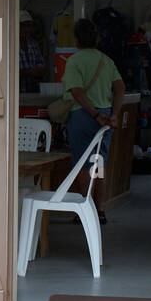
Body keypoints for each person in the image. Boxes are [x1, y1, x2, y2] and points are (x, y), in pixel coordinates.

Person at [60, 17, 124, 223]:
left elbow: (76, 92)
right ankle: (100, 209)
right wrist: (113, 114)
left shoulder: (74, 61)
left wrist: (94, 114)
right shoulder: (106, 60)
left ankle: (84, 209)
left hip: (83, 115)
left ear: (77, 39)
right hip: (105, 115)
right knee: (99, 162)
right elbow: (120, 88)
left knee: (82, 163)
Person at [18, 10, 46, 93]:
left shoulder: (33, 44)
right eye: (23, 25)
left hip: (33, 92)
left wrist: (40, 70)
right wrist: (28, 72)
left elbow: (42, 65)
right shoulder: (9, 44)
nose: (26, 29)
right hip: (16, 94)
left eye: (29, 26)